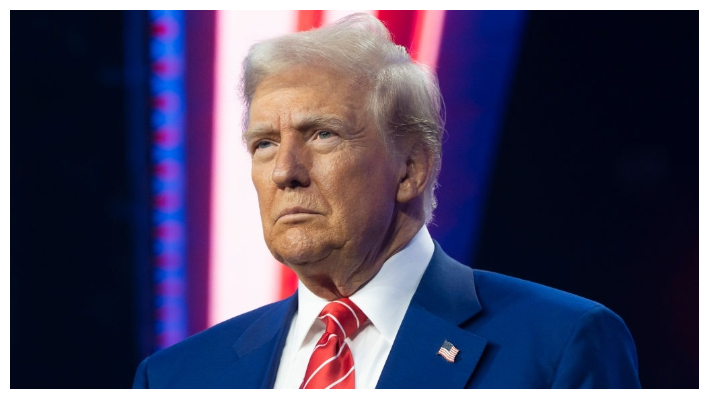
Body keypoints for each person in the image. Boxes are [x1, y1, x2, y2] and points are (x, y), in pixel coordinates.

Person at [132, 13, 640, 389]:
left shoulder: (559, 344)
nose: (285, 171)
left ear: (411, 169)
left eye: (323, 134)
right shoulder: (178, 376)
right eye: (264, 143)